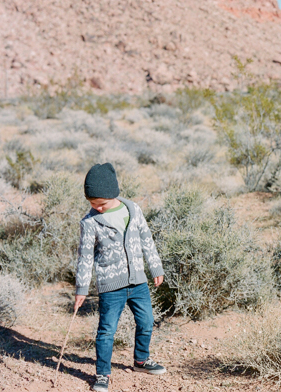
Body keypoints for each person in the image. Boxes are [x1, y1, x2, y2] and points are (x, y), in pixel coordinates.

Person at [74, 163, 167, 392]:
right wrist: (81, 289)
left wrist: (155, 268)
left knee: (146, 321)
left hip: (138, 281)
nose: (98, 208)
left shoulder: (133, 210)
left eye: (101, 204)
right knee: (106, 331)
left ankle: (141, 361)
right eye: (93, 204)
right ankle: (102, 374)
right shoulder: (89, 222)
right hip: (110, 286)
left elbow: (147, 240)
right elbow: (85, 257)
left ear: (113, 195)